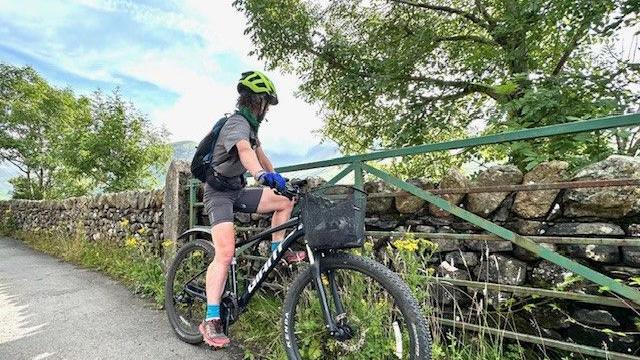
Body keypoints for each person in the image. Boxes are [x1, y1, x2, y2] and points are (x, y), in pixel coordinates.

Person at [199, 70, 306, 348]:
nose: (267, 109)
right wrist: (260, 175)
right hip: (218, 193)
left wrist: (280, 180)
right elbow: (245, 153)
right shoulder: (236, 124)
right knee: (225, 253)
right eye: (266, 103)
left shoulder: (252, 128)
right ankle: (211, 319)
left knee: (284, 201)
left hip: (236, 189)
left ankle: (277, 251)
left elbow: (260, 155)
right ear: (257, 101)